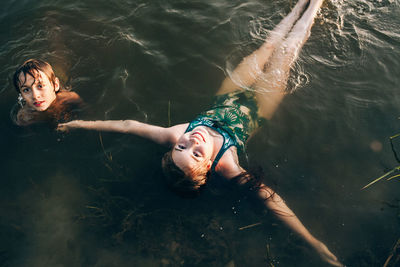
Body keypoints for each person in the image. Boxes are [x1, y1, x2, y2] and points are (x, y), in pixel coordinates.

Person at [58, 0, 342, 265]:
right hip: (259, 108)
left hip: (228, 96)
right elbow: (270, 199)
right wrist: (312, 241)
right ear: (208, 165)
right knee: (286, 54)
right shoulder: (227, 165)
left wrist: (79, 124)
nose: (190, 142)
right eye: (195, 153)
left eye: (181, 148)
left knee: (268, 46)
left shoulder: (174, 135)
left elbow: (129, 127)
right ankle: (315, 4)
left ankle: (296, 7)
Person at [12, 58, 83, 126]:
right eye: (26, 90)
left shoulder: (69, 98)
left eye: (40, 86)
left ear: (55, 85)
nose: (35, 96)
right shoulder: (24, 117)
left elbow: (87, 113)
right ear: (21, 95)